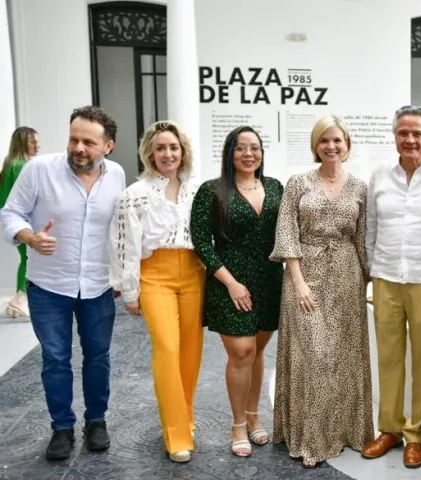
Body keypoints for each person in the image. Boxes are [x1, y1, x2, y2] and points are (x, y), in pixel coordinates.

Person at [0, 106, 125, 461]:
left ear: (109, 146)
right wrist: (30, 237)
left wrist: (121, 273)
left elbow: (119, 227)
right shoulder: (39, 170)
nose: (78, 148)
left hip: (98, 285)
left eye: (88, 141)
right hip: (48, 285)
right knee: (55, 358)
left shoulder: (116, 174)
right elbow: (10, 212)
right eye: (74, 139)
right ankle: (62, 427)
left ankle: (96, 421)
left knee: (98, 357)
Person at [269, 115, 374, 467]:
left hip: (347, 277)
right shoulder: (298, 183)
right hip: (305, 275)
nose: (331, 146)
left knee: (343, 359)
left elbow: (362, 239)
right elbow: (286, 234)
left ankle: (347, 431)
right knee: (313, 356)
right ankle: (311, 439)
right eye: (324, 140)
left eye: (337, 140)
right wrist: (298, 282)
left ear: (347, 144)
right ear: (316, 145)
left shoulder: (360, 187)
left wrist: (369, 280)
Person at [108, 121, 204, 463]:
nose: (168, 154)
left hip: (194, 272)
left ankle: (186, 417)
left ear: (183, 151)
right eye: (161, 148)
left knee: (191, 351)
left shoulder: (197, 190)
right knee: (166, 348)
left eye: (173, 147)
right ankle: (175, 433)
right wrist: (129, 289)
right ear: (150, 152)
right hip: (155, 275)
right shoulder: (134, 195)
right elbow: (124, 246)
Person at [362, 105, 421, 468]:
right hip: (386, 278)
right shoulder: (380, 174)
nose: (410, 140)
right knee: (389, 357)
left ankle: (416, 434)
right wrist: (371, 269)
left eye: (417, 133)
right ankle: (390, 429)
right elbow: (370, 227)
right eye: (403, 133)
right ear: (395, 136)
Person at [189, 126, 283, 457]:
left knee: (257, 352)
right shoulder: (212, 191)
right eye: (240, 148)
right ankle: (238, 423)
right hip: (229, 281)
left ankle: (256, 417)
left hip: (270, 280)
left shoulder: (275, 187)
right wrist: (230, 282)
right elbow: (201, 242)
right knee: (241, 351)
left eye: (254, 147)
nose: (248, 154)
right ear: (229, 153)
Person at [0, 126, 40, 318]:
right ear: (23, 142)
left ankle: (20, 299)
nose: (37, 145)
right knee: (29, 258)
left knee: (25, 258)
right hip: (23, 222)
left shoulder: (11, 164)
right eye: (33, 141)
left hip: (12, 221)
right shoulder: (22, 166)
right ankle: (20, 299)